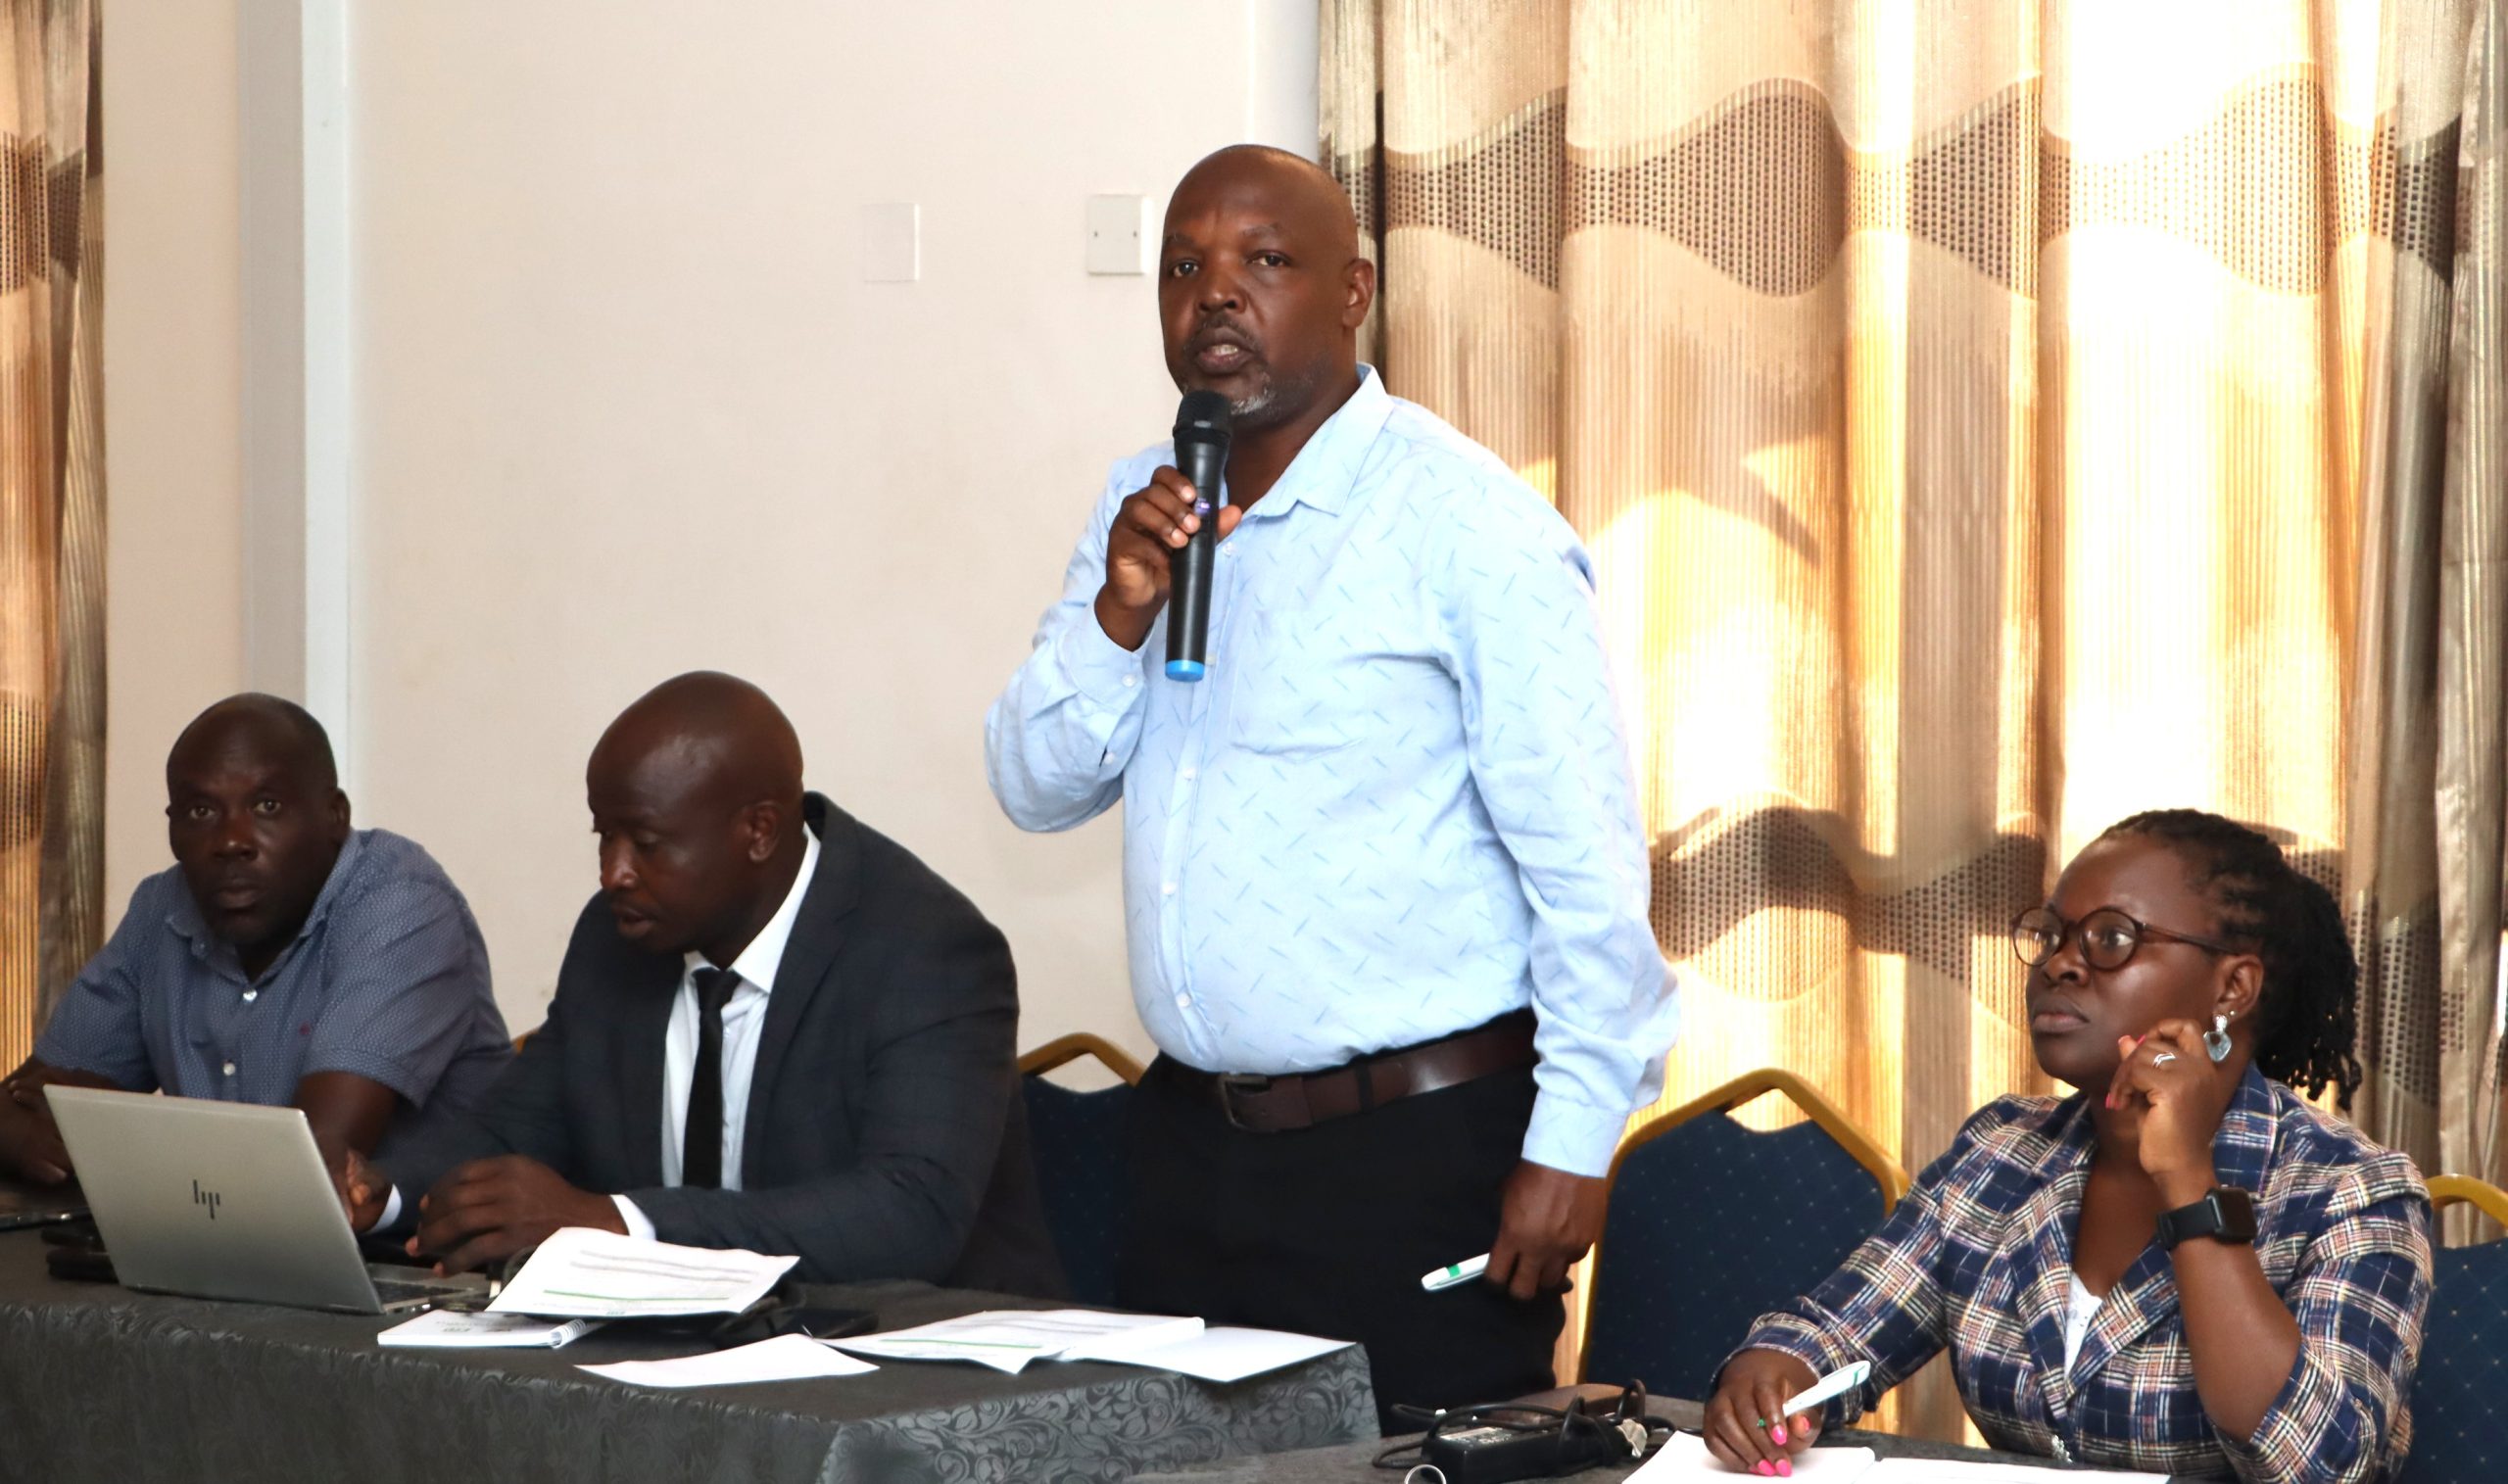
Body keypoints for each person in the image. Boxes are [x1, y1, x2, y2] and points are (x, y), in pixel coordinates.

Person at [986, 144, 1675, 1420]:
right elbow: (1034, 785)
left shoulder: (1470, 525)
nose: (1215, 296)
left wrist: (1573, 1139)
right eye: (1185, 265)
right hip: (1190, 1145)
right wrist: (1117, 614)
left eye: (1264, 260)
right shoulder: (1142, 508)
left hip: (1415, 1154)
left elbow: (1585, 868)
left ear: (1354, 290)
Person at [1708, 810, 2431, 1482]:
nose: (2059, 963)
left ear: (2232, 986)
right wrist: (1774, 1371)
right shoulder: (2001, 1153)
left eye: (2110, 938)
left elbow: (2322, 1461)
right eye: (2053, 935)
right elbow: (1834, 1331)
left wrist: (2186, 1177)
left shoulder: (2353, 1191)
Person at [360, 672, 1059, 1294]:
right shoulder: (616, 937)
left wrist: (621, 1222)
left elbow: (910, 1211)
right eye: (604, 836)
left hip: (921, 1368)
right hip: (683, 1363)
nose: (613, 872)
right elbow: (513, 1128)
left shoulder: (925, 950)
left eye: (646, 843)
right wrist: (380, 1190)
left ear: (758, 832)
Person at [0, 694, 509, 1209]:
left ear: (335, 816)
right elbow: (26, 1104)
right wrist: (21, 1133)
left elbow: (308, 1171)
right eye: (201, 812)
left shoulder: (401, 905)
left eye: (267, 806)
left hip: (410, 1264)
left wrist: (108, 1144)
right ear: (173, 828)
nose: (231, 841)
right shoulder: (162, 910)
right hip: (209, 1246)